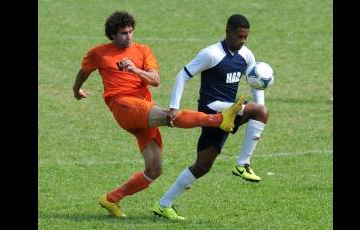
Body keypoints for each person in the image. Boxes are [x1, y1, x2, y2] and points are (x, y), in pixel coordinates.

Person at [72, 11, 244, 218]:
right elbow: (84, 71)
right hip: (123, 106)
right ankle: (218, 119)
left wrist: (135, 70)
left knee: (154, 169)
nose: (128, 36)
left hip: (143, 107)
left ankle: (111, 199)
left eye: (130, 32)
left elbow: (155, 80)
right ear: (112, 35)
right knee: (169, 115)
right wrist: (76, 89)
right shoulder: (98, 53)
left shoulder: (143, 51)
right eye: (122, 33)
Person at [152, 14, 269, 220]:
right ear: (228, 32)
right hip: (211, 110)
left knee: (203, 166)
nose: (242, 41)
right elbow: (183, 75)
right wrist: (173, 107)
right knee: (260, 112)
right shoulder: (212, 54)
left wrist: (260, 105)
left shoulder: (246, 55)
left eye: (245, 37)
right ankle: (242, 164)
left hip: (229, 113)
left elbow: (254, 81)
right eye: (239, 36)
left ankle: (163, 204)